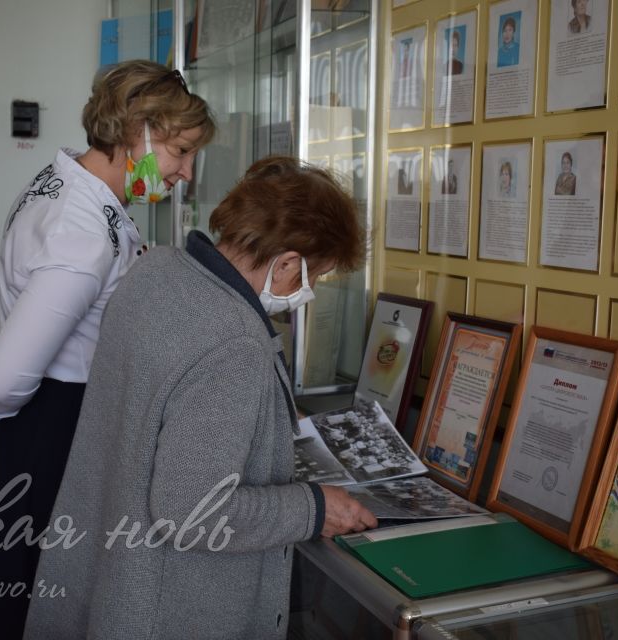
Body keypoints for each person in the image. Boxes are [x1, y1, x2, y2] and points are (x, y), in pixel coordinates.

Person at [24, 156, 378, 639]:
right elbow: (191, 511)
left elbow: (160, 399)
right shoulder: (235, 341)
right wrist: (314, 509)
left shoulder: (157, 270)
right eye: (313, 278)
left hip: (104, 567)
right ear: (288, 261)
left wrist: (263, 414)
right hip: (166, 605)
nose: (307, 292)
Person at [0, 60, 215, 639]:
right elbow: (8, 374)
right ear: (139, 134)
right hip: (58, 419)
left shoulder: (67, 184)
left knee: (25, 571)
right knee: (42, 581)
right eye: (180, 151)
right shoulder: (81, 231)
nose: (184, 173)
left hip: (48, 410)